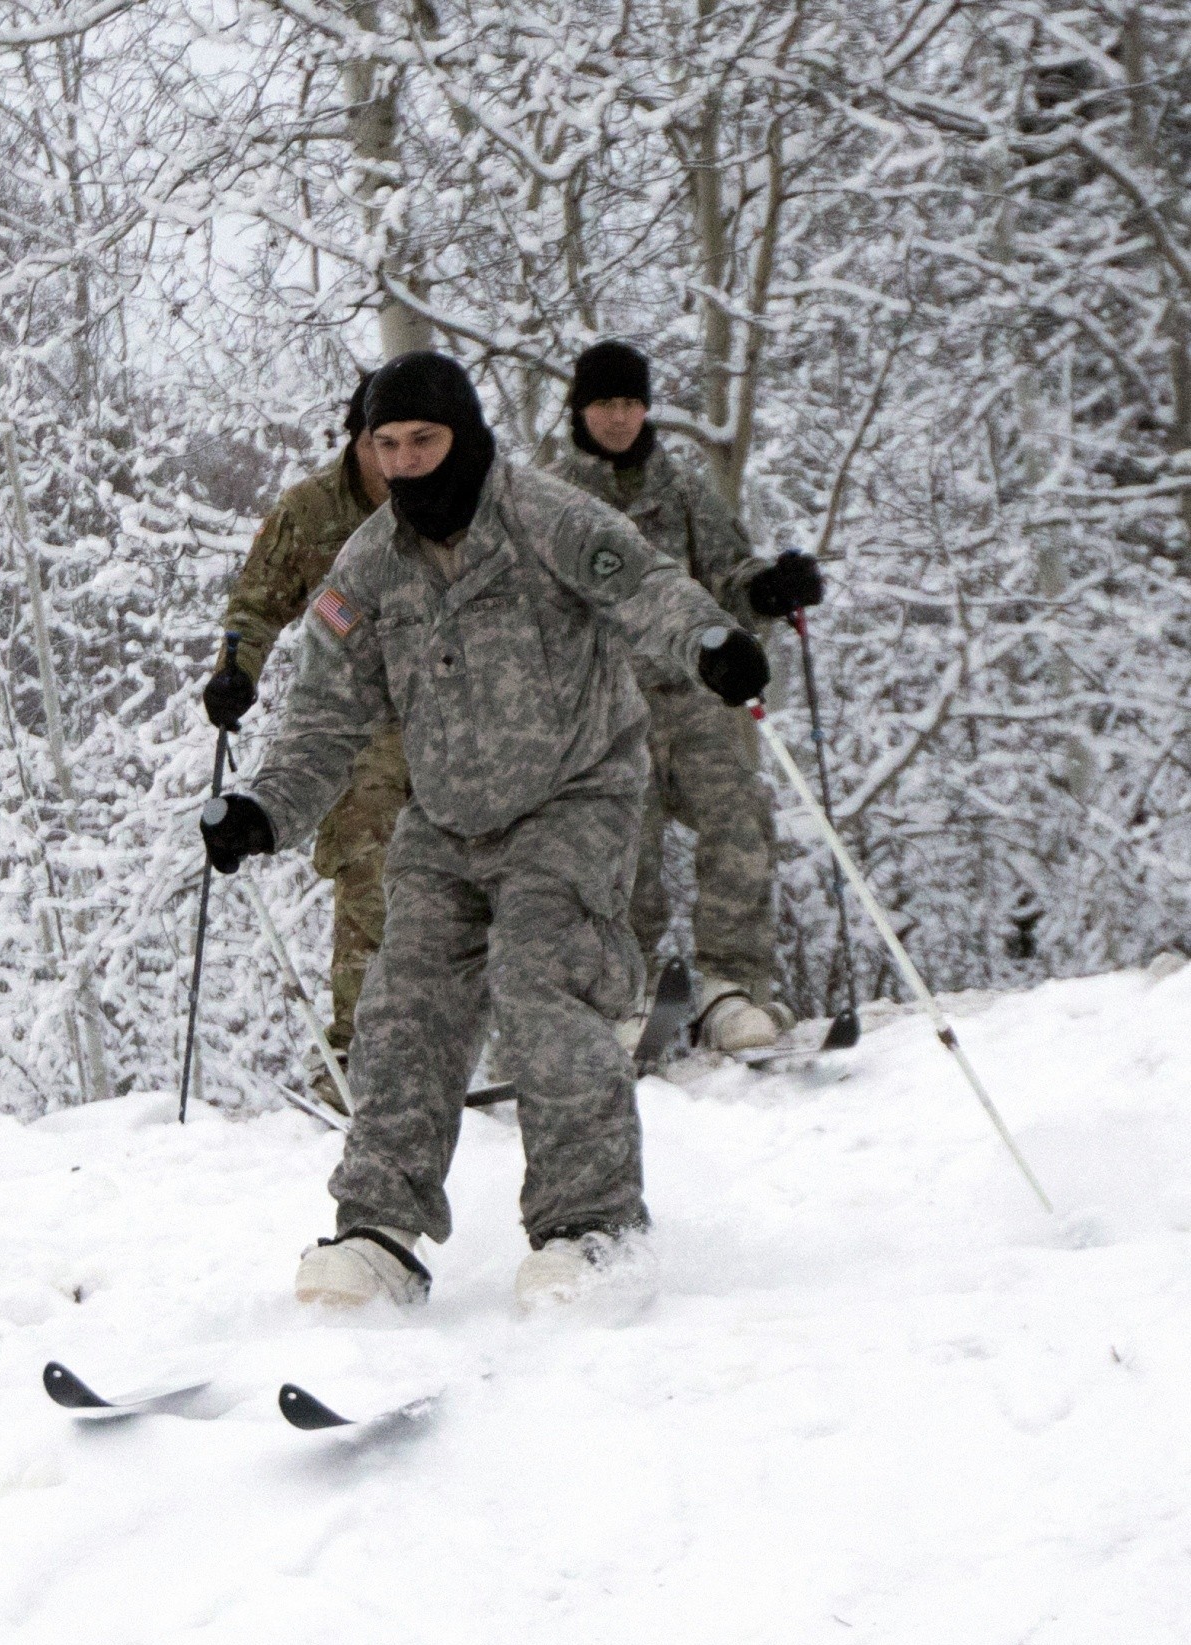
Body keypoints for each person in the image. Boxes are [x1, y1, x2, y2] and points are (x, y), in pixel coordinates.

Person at [196, 351, 767, 1315]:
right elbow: (325, 720)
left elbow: (648, 589)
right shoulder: (366, 567)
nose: (409, 463)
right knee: (402, 1006)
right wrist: (264, 810)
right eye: (389, 445)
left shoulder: (546, 515)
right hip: (448, 816)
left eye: (426, 440)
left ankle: (592, 1227)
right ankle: (377, 1231)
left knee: (542, 979)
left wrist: (709, 643)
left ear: (463, 435)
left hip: (572, 794)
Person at [557, 339, 824, 1054]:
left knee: (741, 812)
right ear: (580, 409)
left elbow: (730, 576)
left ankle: (729, 986)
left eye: (631, 403)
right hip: (601, 710)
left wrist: (770, 588)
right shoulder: (551, 500)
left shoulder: (679, 491)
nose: (619, 418)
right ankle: (624, 996)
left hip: (689, 699)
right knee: (622, 851)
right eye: (605, 404)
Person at [203, 372, 407, 1090]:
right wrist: (237, 671)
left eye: (411, 443)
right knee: (369, 856)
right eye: (378, 444)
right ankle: (362, 1048)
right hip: (353, 714)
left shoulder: (457, 502)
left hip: (457, 710)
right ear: (356, 442)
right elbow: (255, 604)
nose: (394, 463)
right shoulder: (311, 512)